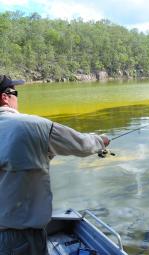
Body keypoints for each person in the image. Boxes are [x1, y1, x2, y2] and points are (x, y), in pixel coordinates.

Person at [0, 75, 110, 255]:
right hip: (20, 239)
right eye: (15, 93)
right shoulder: (34, 126)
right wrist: (102, 140)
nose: (17, 98)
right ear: (5, 96)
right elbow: (81, 144)